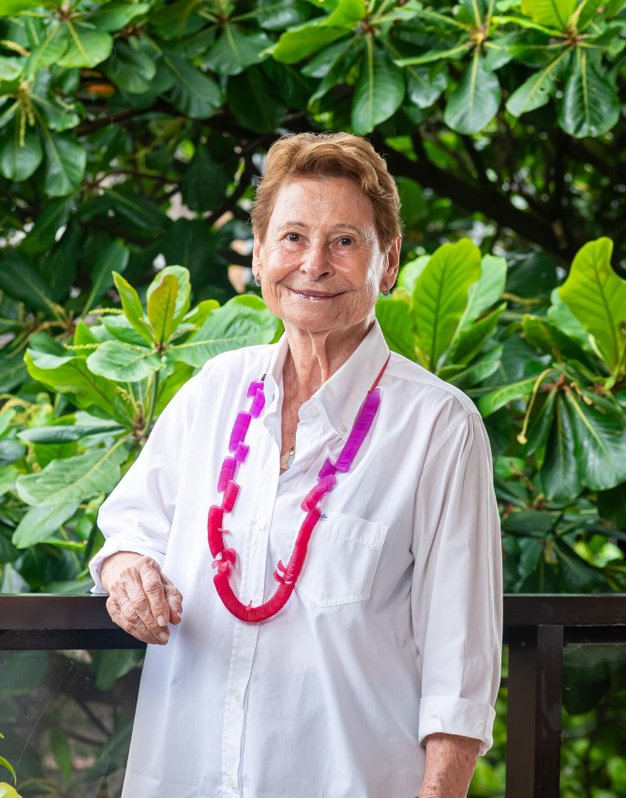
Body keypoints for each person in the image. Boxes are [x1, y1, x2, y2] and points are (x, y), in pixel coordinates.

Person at [91, 132, 502, 798]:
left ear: (388, 263)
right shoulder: (213, 392)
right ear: (259, 256)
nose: (313, 263)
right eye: (291, 238)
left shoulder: (439, 429)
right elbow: (130, 526)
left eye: (344, 241)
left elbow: (461, 674)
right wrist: (129, 569)